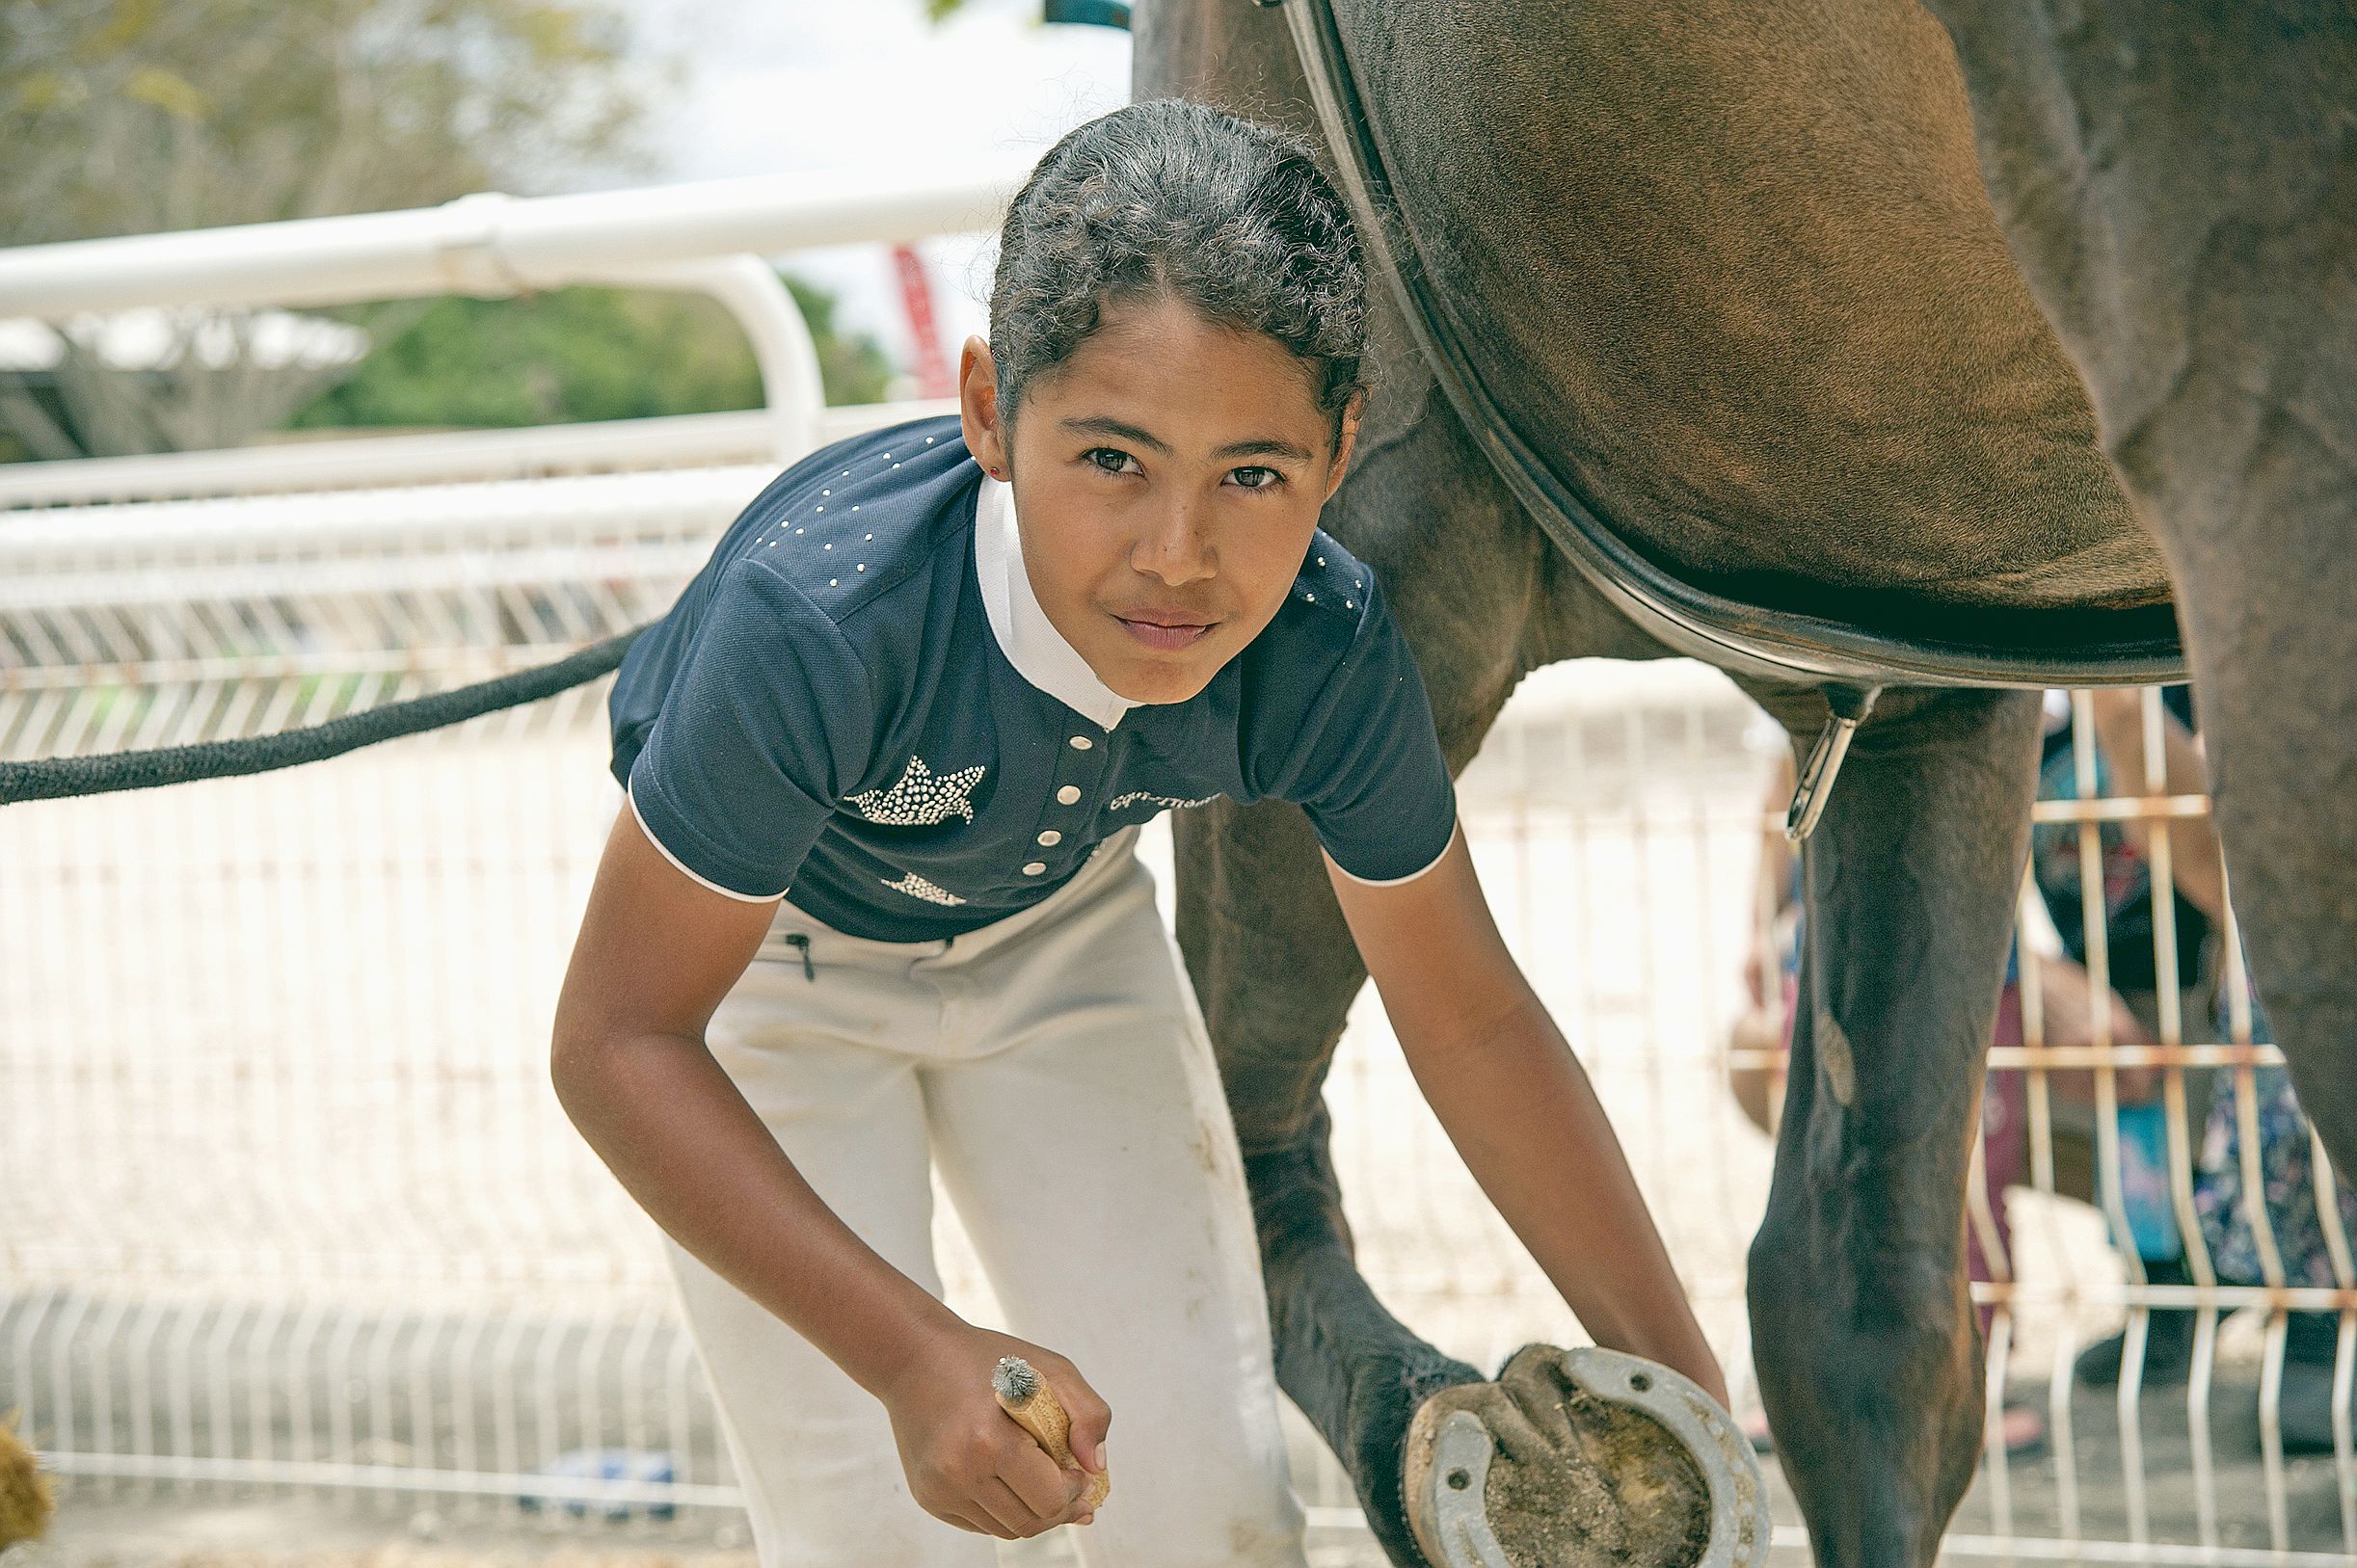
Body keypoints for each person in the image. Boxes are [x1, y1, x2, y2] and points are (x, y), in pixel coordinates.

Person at [549, 100, 1726, 1568]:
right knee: (869, 1518)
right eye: (1112, 459)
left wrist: (1684, 1394)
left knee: (1205, 1496)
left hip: (1061, 935)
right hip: (773, 974)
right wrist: (916, 1353)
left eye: (1251, 474)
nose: (1179, 554)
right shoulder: (817, 623)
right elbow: (615, 1041)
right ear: (987, 408)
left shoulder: (1321, 643)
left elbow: (1471, 1021)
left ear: (1340, 450)